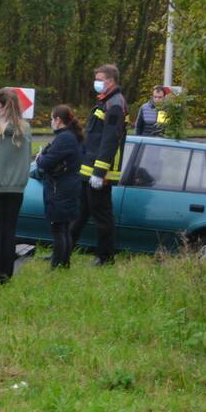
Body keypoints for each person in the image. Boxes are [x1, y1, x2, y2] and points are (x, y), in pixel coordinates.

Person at [70, 64, 128, 265]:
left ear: (110, 81)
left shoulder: (115, 104)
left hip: (100, 171)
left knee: (102, 215)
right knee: (80, 212)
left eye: (100, 79)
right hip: (90, 168)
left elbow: (110, 139)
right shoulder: (106, 102)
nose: (97, 83)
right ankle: (63, 250)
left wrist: (100, 171)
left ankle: (106, 257)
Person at [0, 88, 32, 292]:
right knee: (10, 231)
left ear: (1, 106)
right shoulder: (25, 128)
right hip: (16, 187)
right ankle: (6, 275)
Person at [35, 105, 84, 269]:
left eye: (51, 119)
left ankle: (57, 265)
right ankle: (64, 263)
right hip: (68, 186)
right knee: (64, 228)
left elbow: (46, 162)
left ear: (58, 120)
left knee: (58, 229)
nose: (51, 122)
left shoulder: (64, 138)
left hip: (60, 187)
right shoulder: (72, 136)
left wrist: (40, 159)